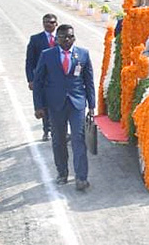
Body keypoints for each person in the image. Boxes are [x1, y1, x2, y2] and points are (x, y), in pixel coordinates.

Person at [31, 24, 96, 191]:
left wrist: (92, 105)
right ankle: (62, 173)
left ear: (74, 37)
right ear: (56, 39)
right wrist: (39, 106)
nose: (66, 39)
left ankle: (81, 178)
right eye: (62, 37)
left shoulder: (83, 54)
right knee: (59, 140)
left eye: (69, 36)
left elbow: (88, 81)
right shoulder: (47, 55)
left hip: (77, 104)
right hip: (55, 105)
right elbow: (38, 82)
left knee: (78, 139)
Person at [25, 13, 59, 141]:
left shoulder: (61, 39)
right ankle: (47, 130)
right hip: (42, 79)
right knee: (44, 105)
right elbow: (29, 61)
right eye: (45, 22)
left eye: (51, 22)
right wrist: (31, 79)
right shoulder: (35, 39)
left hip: (58, 79)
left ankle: (60, 130)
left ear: (56, 24)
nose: (48, 24)